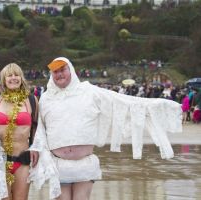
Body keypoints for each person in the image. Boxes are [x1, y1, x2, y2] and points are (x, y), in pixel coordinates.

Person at [28, 57, 182, 200]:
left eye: (63, 70)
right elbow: (41, 129)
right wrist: (35, 148)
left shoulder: (89, 91)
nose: (59, 74)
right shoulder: (47, 98)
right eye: (56, 71)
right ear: (51, 75)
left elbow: (121, 101)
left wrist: (160, 105)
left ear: (71, 71)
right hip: (58, 165)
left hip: (84, 165)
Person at [0, 63, 39, 200]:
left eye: (17, 75)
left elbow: (37, 130)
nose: (13, 78)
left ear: (21, 78)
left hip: (23, 161)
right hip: (0, 160)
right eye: (9, 75)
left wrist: (37, 151)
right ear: (4, 80)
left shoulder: (31, 100)